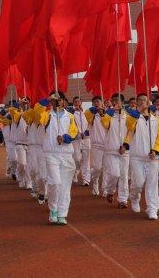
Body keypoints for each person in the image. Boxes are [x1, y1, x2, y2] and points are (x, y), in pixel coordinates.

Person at [36, 91, 78, 225]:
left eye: (59, 99)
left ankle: (61, 214)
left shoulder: (70, 116)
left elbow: (74, 132)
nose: (57, 101)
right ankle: (53, 210)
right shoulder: (47, 115)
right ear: (51, 101)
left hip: (66, 154)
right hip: (51, 153)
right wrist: (46, 99)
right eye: (54, 99)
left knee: (65, 187)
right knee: (55, 183)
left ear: (64, 101)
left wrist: (65, 138)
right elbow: (36, 113)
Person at [122, 93, 159, 220]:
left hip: (152, 158)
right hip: (136, 157)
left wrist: (156, 151)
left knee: (152, 184)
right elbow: (129, 126)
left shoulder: (156, 120)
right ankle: (134, 197)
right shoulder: (132, 118)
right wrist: (137, 112)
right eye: (139, 101)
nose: (142, 102)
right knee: (138, 183)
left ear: (149, 103)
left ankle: (152, 209)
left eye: (144, 100)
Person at [103, 93, 130, 208]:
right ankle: (110, 190)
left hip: (125, 151)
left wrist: (125, 146)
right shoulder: (108, 116)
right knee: (114, 174)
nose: (115, 103)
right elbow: (104, 123)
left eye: (117, 101)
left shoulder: (128, 117)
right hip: (111, 150)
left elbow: (131, 133)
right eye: (113, 100)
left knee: (124, 176)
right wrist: (111, 111)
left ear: (123, 103)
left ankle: (122, 200)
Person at [69, 97, 91, 186]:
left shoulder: (86, 113)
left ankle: (86, 179)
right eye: (75, 102)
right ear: (73, 103)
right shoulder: (71, 113)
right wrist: (78, 134)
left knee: (86, 160)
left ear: (81, 102)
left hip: (86, 139)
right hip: (76, 140)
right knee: (77, 159)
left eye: (79, 101)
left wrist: (86, 132)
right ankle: (76, 172)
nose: (77, 103)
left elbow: (90, 124)